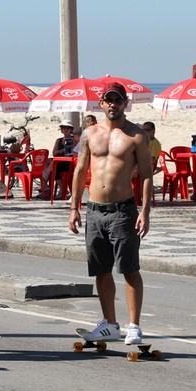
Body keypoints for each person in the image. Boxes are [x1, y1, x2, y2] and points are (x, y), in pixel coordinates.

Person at [68, 82, 153, 345]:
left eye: (118, 100)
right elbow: (80, 170)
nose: (113, 104)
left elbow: (148, 175)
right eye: (109, 100)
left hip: (122, 211)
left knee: (129, 269)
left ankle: (134, 326)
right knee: (101, 270)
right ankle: (109, 324)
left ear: (125, 103)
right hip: (94, 210)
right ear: (101, 104)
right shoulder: (89, 133)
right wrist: (73, 207)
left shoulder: (137, 136)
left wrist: (145, 211)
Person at [38, 120, 75, 198]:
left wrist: (70, 147)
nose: (65, 130)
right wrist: (64, 149)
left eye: (68, 128)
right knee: (49, 161)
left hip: (70, 163)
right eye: (64, 128)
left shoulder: (74, 139)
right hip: (60, 162)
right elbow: (55, 153)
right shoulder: (59, 140)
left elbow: (75, 152)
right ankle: (49, 187)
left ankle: (46, 184)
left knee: (54, 166)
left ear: (71, 129)